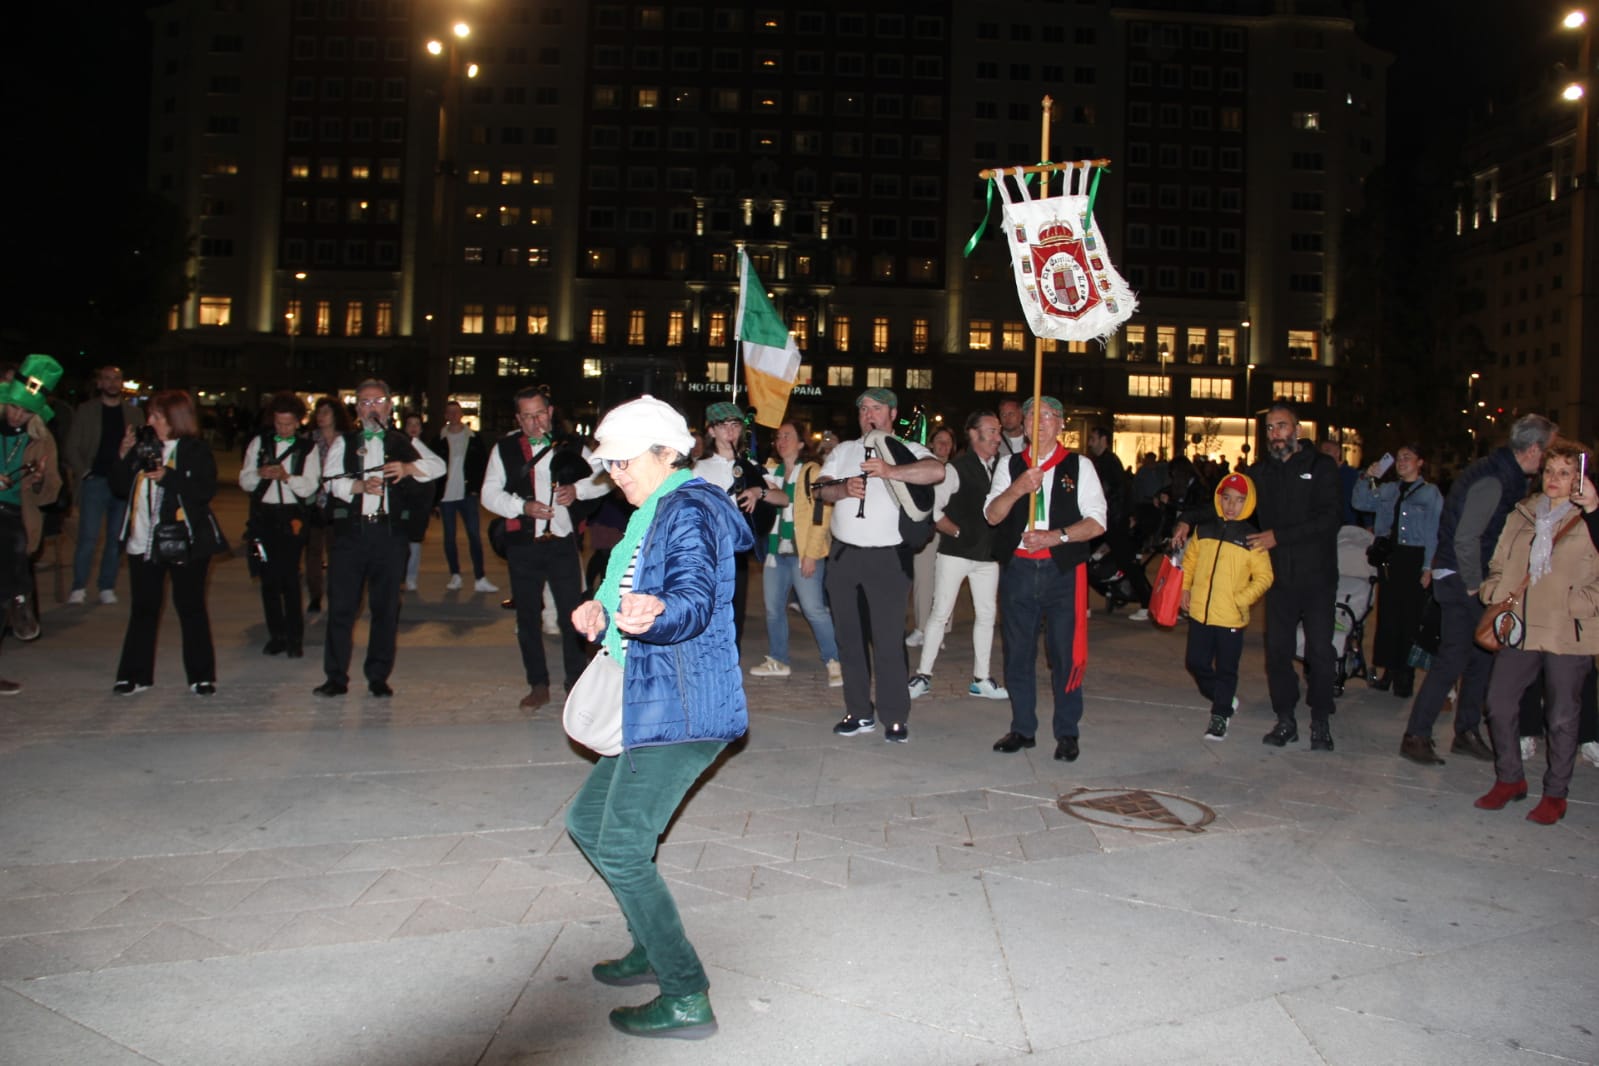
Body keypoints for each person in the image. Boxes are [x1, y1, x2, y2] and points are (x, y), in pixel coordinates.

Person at [566, 395, 750, 1040]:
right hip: (645, 697)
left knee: (618, 843)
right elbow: (625, 583)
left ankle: (685, 995)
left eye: (624, 460)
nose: (615, 473)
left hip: (683, 704)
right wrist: (598, 608)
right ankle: (651, 940)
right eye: (609, 463)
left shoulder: (690, 509)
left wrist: (658, 615)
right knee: (589, 822)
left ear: (667, 452)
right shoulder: (651, 510)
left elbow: (695, 598)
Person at [1175, 402, 1339, 750]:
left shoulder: (1321, 467)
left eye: (1281, 426)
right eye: (1269, 428)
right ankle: (1286, 718)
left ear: (1297, 429)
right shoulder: (1261, 473)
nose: (1275, 434)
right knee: (1277, 652)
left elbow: (1330, 518)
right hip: (1279, 579)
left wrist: (1279, 536)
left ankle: (1321, 718)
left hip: (1317, 576)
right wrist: (1189, 518)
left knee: (1320, 651)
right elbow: (1227, 502)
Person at [1396, 414, 1556, 766]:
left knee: (1483, 654)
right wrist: (1474, 586)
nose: (1550, 462)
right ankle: (1416, 735)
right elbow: (1467, 537)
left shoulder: (1503, 472)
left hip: (1467, 576)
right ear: (1533, 450)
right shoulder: (1495, 478)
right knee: (1453, 656)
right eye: (1549, 453)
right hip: (1461, 578)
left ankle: (1466, 731)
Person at [1472, 441, 1599, 825]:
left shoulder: (1590, 515)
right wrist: (1493, 588)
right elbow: (1499, 558)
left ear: (1580, 477)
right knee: (1498, 703)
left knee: (1561, 716)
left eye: (1564, 472)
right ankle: (1510, 778)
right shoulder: (1523, 513)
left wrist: (1585, 603)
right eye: (1549, 471)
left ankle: (1555, 793)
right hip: (1521, 627)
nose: (1554, 479)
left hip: (1567, 628)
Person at [815, 388, 945, 743]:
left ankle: (894, 716)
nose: (868, 414)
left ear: (892, 414)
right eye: (863, 409)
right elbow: (821, 488)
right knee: (849, 640)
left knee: (888, 641)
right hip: (844, 556)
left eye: (876, 408)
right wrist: (842, 489)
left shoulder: (908, 450)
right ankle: (858, 712)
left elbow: (936, 471)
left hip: (889, 558)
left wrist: (891, 470)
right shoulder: (844, 450)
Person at [985, 396, 1106, 760]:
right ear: (1022, 425)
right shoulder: (1009, 466)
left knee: (1064, 654)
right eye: (1030, 417)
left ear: (1061, 424)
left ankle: (1067, 731)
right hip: (1019, 571)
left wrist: (1056, 537)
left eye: (1047, 416)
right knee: (1017, 654)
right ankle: (1023, 728)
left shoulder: (1079, 465)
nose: (1038, 423)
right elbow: (992, 515)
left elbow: (1098, 521)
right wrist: (1018, 488)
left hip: (1061, 571)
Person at [482, 387, 609, 711]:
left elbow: (604, 480)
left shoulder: (574, 445)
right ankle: (537, 683)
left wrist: (575, 490)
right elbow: (488, 494)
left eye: (539, 414)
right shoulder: (505, 448)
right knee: (527, 618)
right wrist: (521, 507)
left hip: (563, 544)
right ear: (517, 418)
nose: (535, 422)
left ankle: (575, 683)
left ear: (551, 413)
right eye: (527, 416)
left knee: (573, 618)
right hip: (523, 546)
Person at [315, 379, 444, 698]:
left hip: (389, 536)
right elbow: (329, 481)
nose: (371, 407)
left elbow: (437, 467)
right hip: (351, 535)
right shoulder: (345, 441)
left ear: (389, 406)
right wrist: (357, 487)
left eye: (378, 402)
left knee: (385, 608)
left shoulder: (401, 441)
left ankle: (378, 675)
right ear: (357, 408)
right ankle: (335, 676)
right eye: (364, 402)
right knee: (342, 607)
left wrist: (408, 466)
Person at [109, 390, 225, 696]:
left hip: (184, 541)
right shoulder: (143, 446)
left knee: (190, 607)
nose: (150, 421)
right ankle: (134, 675)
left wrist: (168, 476)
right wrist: (123, 455)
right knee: (143, 608)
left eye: (156, 417)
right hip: (143, 540)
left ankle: (201, 676)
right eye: (150, 415)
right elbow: (120, 488)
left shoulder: (195, 449)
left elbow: (204, 491)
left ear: (175, 420)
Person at [908, 410, 1008, 701]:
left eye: (998, 431)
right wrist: (957, 533)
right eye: (991, 431)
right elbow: (934, 510)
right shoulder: (956, 468)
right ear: (974, 435)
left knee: (987, 615)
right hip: (956, 555)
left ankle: (981, 678)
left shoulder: (1000, 468)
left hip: (988, 557)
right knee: (940, 613)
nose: (997, 437)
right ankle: (923, 675)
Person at [1181, 472, 1274, 740]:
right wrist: (1185, 589)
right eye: (1227, 499)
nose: (1232, 506)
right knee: (1196, 662)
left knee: (1226, 670)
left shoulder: (1252, 538)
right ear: (1219, 499)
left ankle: (1220, 715)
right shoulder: (1204, 531)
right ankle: (1224, 698)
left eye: (1239, 500)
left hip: (1230, 618)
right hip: (1200, 613)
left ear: (1249, 502)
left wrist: (1241, 599)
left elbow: (1265, 576)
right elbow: (1190, 562)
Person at [747, 421, 841, 685]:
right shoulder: (772, 471)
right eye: (778, 437)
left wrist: (811, 554)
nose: (781, 440)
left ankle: (834, 661)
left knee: (813, 609)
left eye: (788, 436)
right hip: (776, 552)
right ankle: (778, 660)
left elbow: (822, 514)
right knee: (773, 610)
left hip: (803, 552)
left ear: (801, 443)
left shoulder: (812, 471)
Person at [1352, 444, 1442, 699]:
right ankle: (1389, 672)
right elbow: (1359, 502)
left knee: (1410, 618)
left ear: (1420, 462)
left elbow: (1434, 532)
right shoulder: (1389, 490)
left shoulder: (1429, 493)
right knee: (1389, 616)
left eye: (1408, 458)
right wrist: (1367, 476)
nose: (1402, 462)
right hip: (1391, 558)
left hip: (1414, 558)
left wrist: (1428, 567)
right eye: (1399, 458)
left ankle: (1406, 676)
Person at [0, 355, 65, 693]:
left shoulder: (41, 440)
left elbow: (51, 492)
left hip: (14, 516)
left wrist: (38, 480)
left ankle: (17, 596)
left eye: (25, 411)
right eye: (13, 406)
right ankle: (21, 597)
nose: (16, 415)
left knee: (11, 541)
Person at [238, 392, 320, 658]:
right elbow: (244, 480)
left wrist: (286, 477)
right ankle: (276, 634)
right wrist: (260, 474)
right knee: (268, 578)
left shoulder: (308, 448)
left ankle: (295, 636)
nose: (283, 428)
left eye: (288, 423)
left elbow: (310, 485)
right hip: (264, 516)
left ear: (298, 422)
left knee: (289, 578)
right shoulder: (259, 443)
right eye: (279, 423)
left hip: (292, 517)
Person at [64, 365, 144, 605]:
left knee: (115, 539)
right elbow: (72, 446)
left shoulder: (134, 414)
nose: (112, 383)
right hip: (95, 482)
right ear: (99, 383)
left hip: (121, 484)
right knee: (88, 538)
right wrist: (84, 472)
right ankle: (78, 586)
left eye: (117, 378)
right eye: (107, 379)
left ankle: (106, 586)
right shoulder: (86, 411)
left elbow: (141, 447)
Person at [692, 401, 765, 652]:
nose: (730, 432)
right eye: (723, 426)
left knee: (735, 614)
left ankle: (729, 666)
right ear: (711, 431)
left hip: (736, 551)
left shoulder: (749, 466)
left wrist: (759, 490)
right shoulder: (696, 469)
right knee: (705, 609)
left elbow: (783, 498)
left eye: (735, 425)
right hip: (705, 551)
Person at [1087, 425, 1152, 620]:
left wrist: (1117, 518)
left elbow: (1118, 492)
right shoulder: (1101, 461)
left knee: (1126, 562)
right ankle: (1085, 605)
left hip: (1111, 522)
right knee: (1086, 560)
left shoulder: (1109, 462)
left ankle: (1147, 602)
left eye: (1093, 438)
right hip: (1107, 520)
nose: (1090, 442)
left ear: (1103, 439)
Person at [431, 399, 496, 594]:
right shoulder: (438, 440)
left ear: (461, 414)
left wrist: (477, 488)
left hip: (467, 495)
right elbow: (433, 470)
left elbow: (483, 465)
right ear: (446, 416)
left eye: (456, 412)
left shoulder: (473, 438)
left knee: (474, 536)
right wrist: (434, 499)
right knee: (449, 537)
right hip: (446, 497)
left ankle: (480, 577)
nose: (453, 415)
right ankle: (455, 575)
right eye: (449, 412)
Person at [905, 424, 957, 649]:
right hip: (927, 531)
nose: (944, 445)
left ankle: (941, 630)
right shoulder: (923, 468)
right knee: (923, 579)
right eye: (940, 440)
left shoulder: (957, 470)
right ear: (932, 443)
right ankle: (921, 628)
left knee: (946, 581)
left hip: (948, 531)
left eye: (948, 442)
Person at [304, 396, 349, 616]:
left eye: (326, 412)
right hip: (313, 502)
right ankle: (314, 596)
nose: (321, 417)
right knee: (313, 552)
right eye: (318, 412)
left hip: (337, 503)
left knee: (336, 552)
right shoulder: (309, 440)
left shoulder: (347, 440)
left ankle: (335, 594)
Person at [401, 414, 430, 592]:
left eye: (416, 424)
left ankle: (411, 576)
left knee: (415, 542)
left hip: (419, 502)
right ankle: (399, 575)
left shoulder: (426, 450)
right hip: (402, 501)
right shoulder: (399, 448)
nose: (413, 427)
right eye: (410, 424)